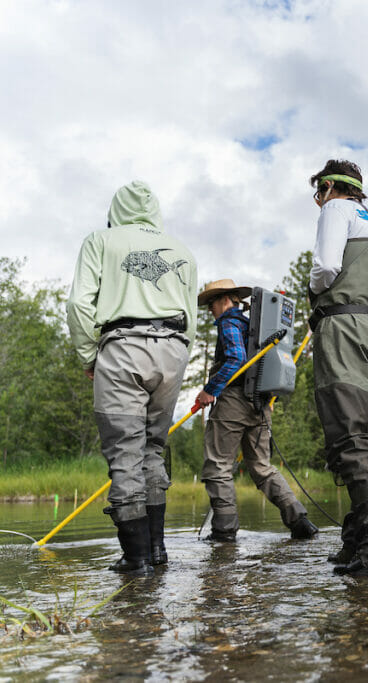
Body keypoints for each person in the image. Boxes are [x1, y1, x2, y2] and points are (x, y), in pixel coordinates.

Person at [67, 180, 198, 576]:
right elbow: (190, 315)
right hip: (173, 352)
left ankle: (136, 559)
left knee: (125, 452)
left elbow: (78, 303)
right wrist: (179, 356)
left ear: (117, 210)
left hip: (123, 347)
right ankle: (157, 552)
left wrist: (90, 356)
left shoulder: (100, 240)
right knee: (152, 449)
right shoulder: (184, 251)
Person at [307, 160, 368, 576]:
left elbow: (327, 267)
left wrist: (316, 294)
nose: (318, 202)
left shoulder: (337, 209)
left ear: (329, 186)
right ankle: (356, 540)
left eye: (318, 194)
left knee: (348, 438)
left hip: (344, 326)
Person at [195, 279, 319, 542]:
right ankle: (300, 521)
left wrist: (210, 389)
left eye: (211, 303)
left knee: (217, 466)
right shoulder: (254, 326)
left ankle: (224, 531)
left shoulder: (229, 322)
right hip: (260, 406)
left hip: (232, 402)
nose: (210, 310)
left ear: (226, 299)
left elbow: (236, 359)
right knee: (262, 467)